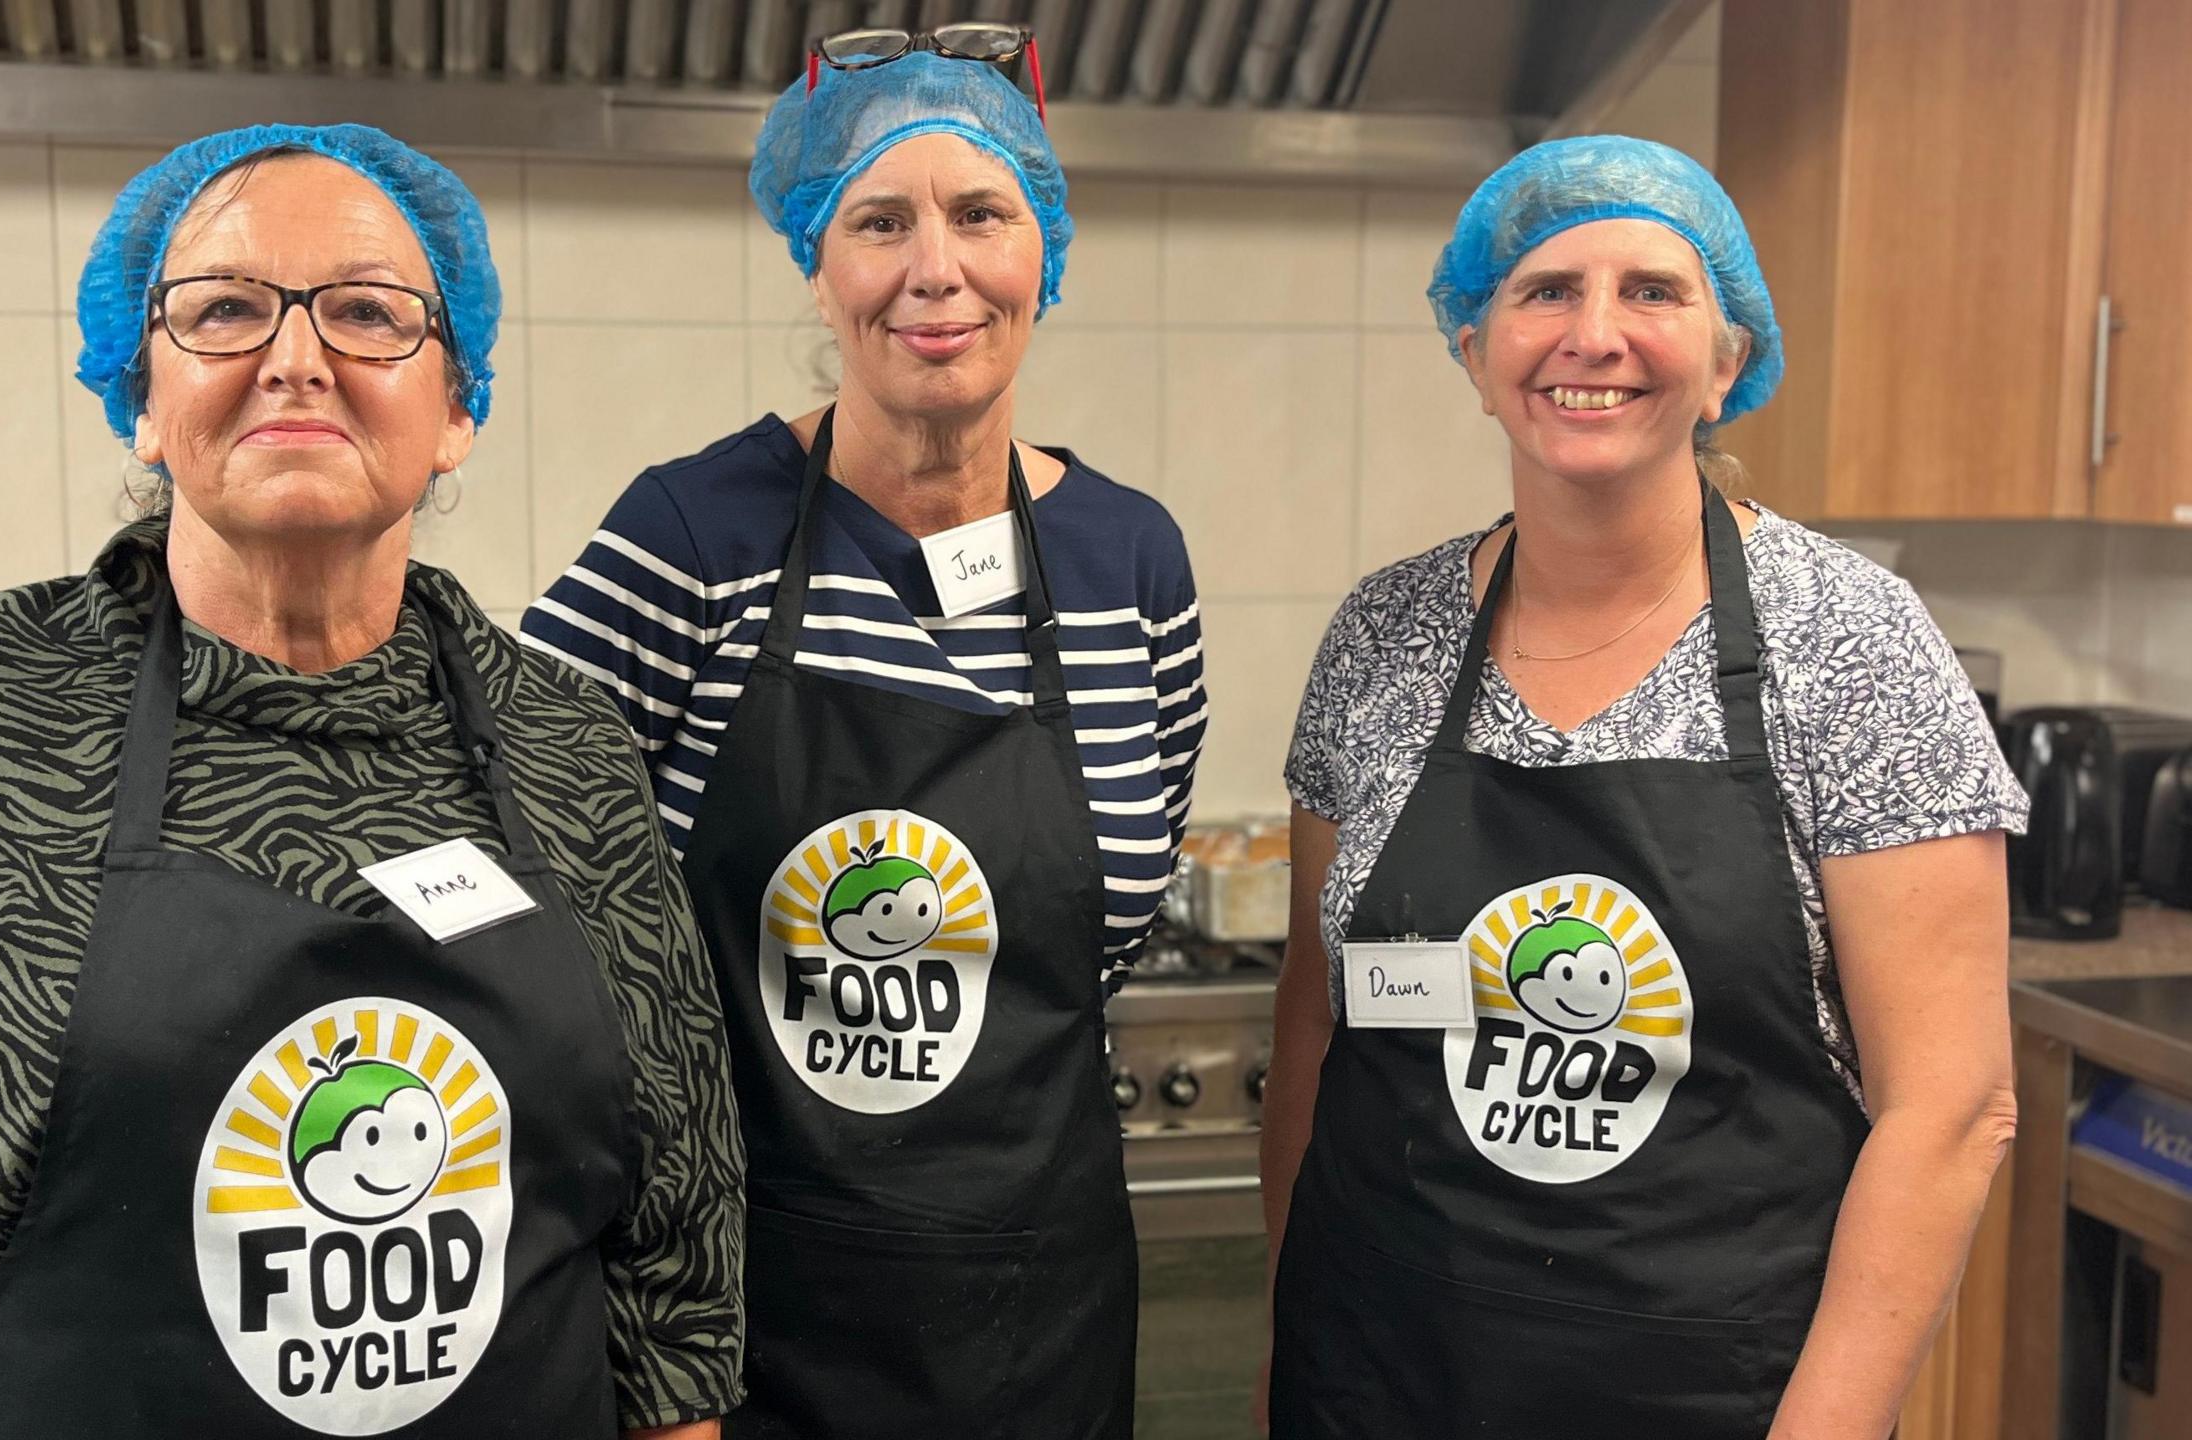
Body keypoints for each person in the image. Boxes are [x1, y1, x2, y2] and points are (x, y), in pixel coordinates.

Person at [0, 123, 740, 1439]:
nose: (295, 357)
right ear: (140, 394)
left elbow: (676, 1262)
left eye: (369, 313)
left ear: (457, 407)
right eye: (225, 309)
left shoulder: (570, 748)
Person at [1261, 135, 2028, 1439]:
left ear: (1729, 357)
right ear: (1475, 347)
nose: (1595, 334)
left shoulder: (1850, 640)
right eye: (1547, 290)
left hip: (1720, 1398)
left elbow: (1951, 1110)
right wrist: (1294, 1341)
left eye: (1653, 293)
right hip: (1380, 1383)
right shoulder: (1383, 636)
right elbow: (1314, 1026)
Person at [523, 22, 1204, 1440]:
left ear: (1045, 255)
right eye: (879, 219)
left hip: (1040, 1312)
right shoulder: (690, 534)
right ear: (818, 264)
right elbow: (529, 884)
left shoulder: (1130, 561)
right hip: (741, 1319)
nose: (933, 268)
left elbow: (1110, 916)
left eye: (981, 214)